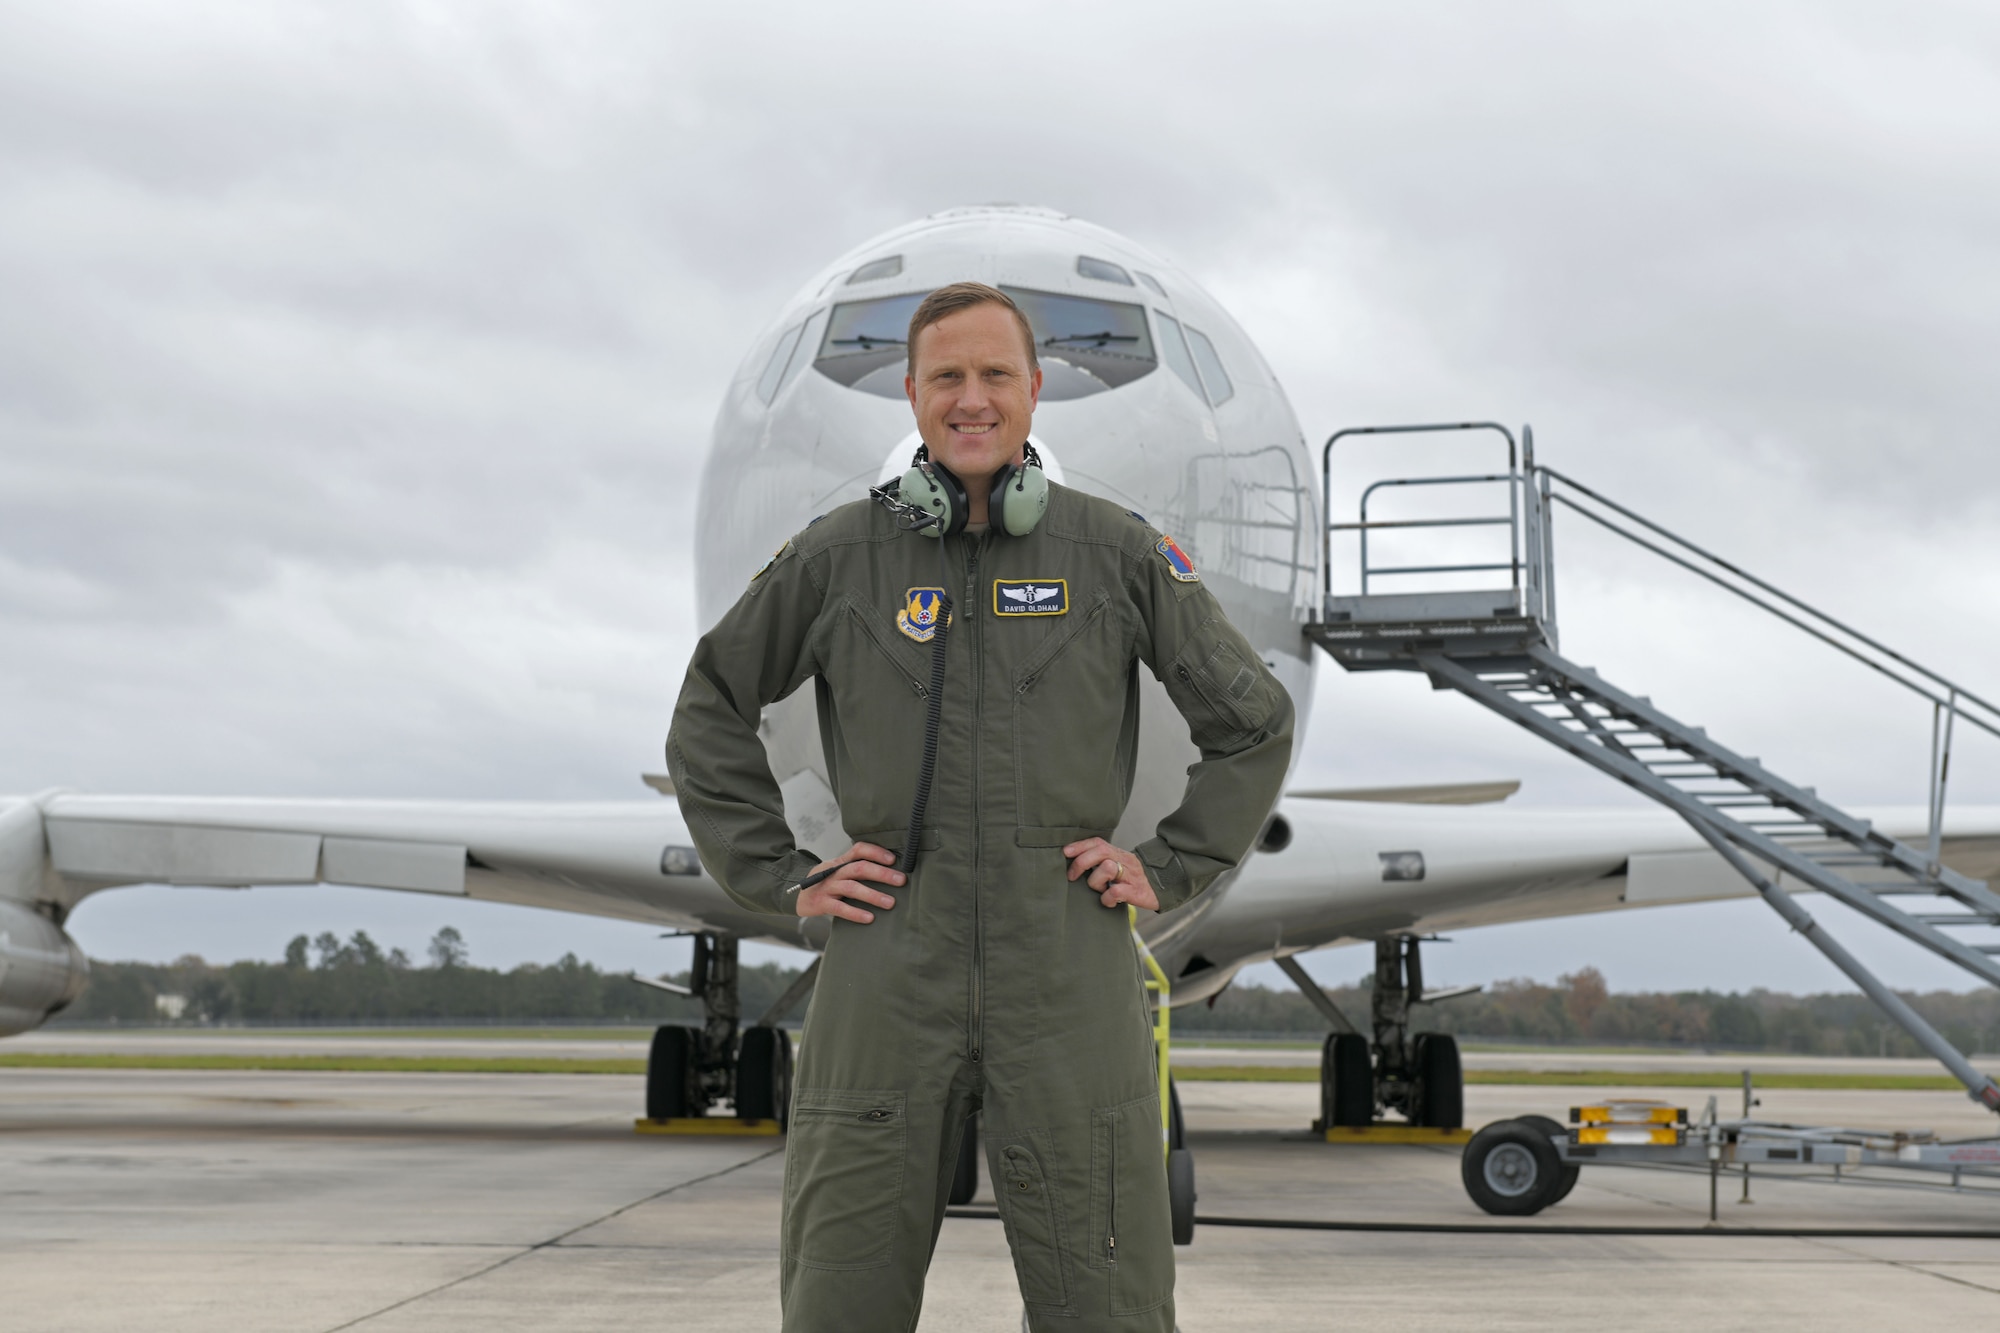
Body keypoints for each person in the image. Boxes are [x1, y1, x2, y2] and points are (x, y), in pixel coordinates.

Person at [667, 282, 1294, 1331]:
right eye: (946, 377)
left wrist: (1171, 864)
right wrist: (784, 875)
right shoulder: (837, 557)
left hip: (1065, 977)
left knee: (1109, 1305)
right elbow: (709, 708)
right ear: (910, 394)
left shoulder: (1117, 553)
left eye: (994, 375)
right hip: (882, 970)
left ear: (1033, 392)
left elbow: (1252, 720)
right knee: (837, 1300)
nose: (971, 398)